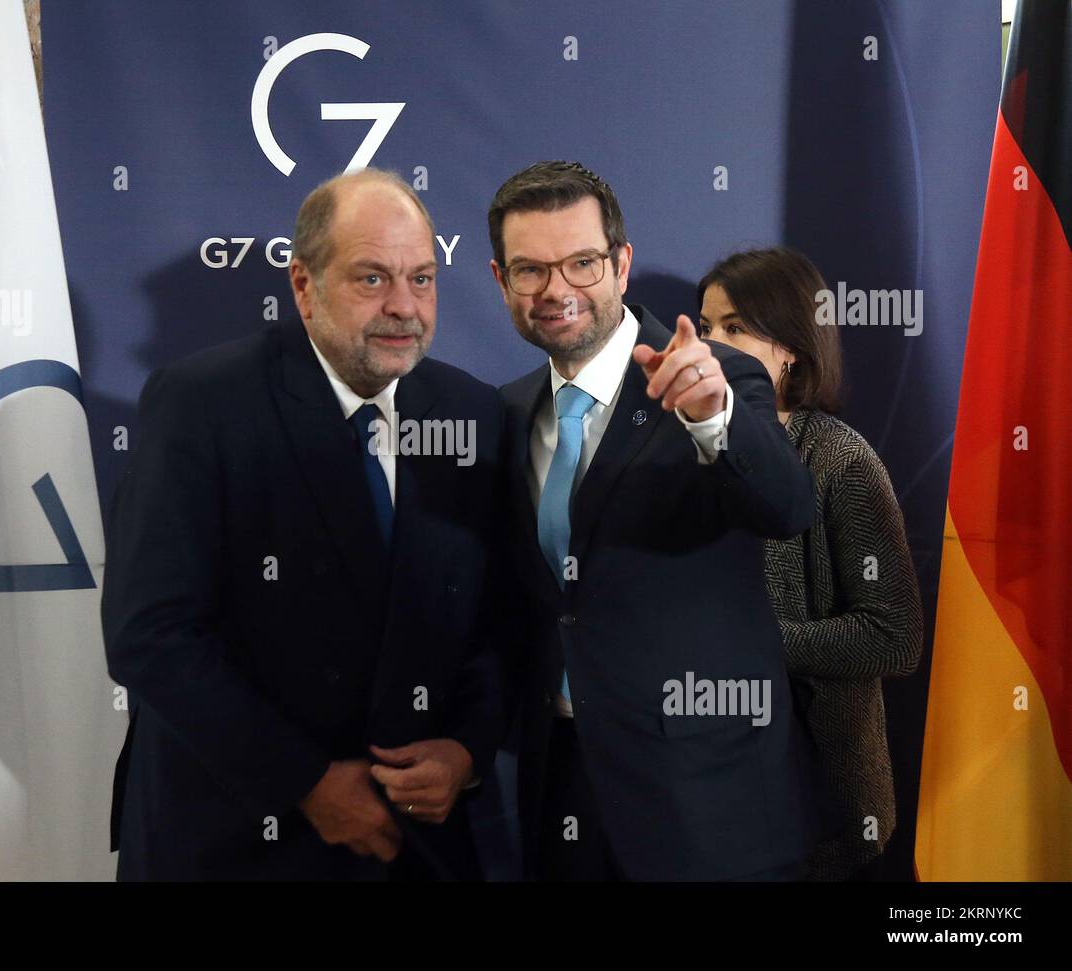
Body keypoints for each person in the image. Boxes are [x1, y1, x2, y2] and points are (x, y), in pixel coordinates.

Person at [102, 168, 505, 880]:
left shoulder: (471, 413)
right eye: (372, 279)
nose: (404, 307)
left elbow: (500, 618)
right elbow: (151, 633)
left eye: (422, 278)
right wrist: (307, 782)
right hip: (236, 842)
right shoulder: (202, 403)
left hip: (419, 849)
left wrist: (467, 750)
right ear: (303, 285)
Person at [488, 160, 824, 881]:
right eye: (530, 270)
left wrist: (712, 419)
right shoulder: (506, 412)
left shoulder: (720, 377)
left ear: (621, 263)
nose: (557, 290)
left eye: (581, 263)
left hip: (711, 804)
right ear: (500, 281)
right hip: (564, 794)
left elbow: (786, 507)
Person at [697, 246, 923, 881]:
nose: (712, 343)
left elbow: (894, 638)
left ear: (790, 349)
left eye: (736, 327)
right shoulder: (675, 450)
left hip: (819, 798)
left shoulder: (842, 462)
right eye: (707, 326)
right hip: (702, 791)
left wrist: (752, 645)